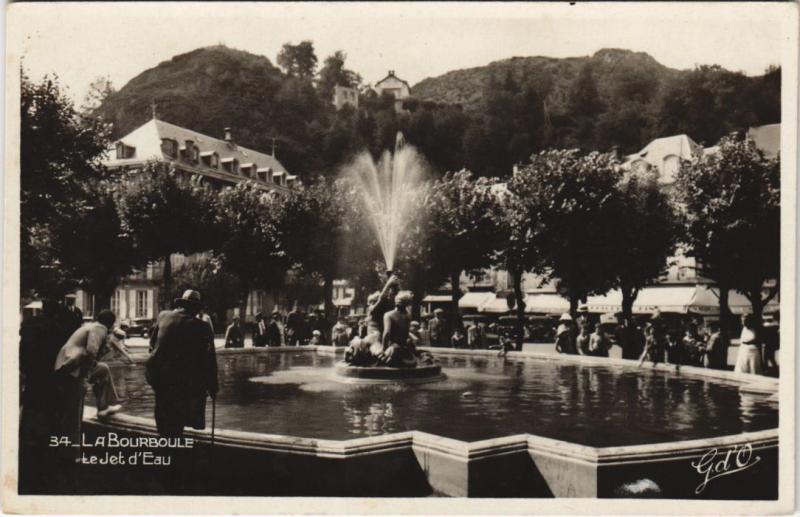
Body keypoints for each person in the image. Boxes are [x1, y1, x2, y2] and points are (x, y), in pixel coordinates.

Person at [147, 290, 218, 437]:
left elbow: (152, 344)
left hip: (157, 374)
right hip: (180, 380)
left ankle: (163, 441)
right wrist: (213, 387)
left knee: (162, 410)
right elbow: (209, 361)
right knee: (178, 416)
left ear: (180, 305)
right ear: (196, 309)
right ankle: (175, 446)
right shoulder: (202, 327)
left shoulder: (163, 316)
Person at [52, 310, 123, 450]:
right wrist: (86, 375)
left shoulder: (90, 326)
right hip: (73, 369)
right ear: (110, 323)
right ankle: (72, 452)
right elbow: (91, 350)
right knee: (74, 409)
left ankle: (103, 407)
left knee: (103, 369)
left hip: (68, 366)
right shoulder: (99, 328)